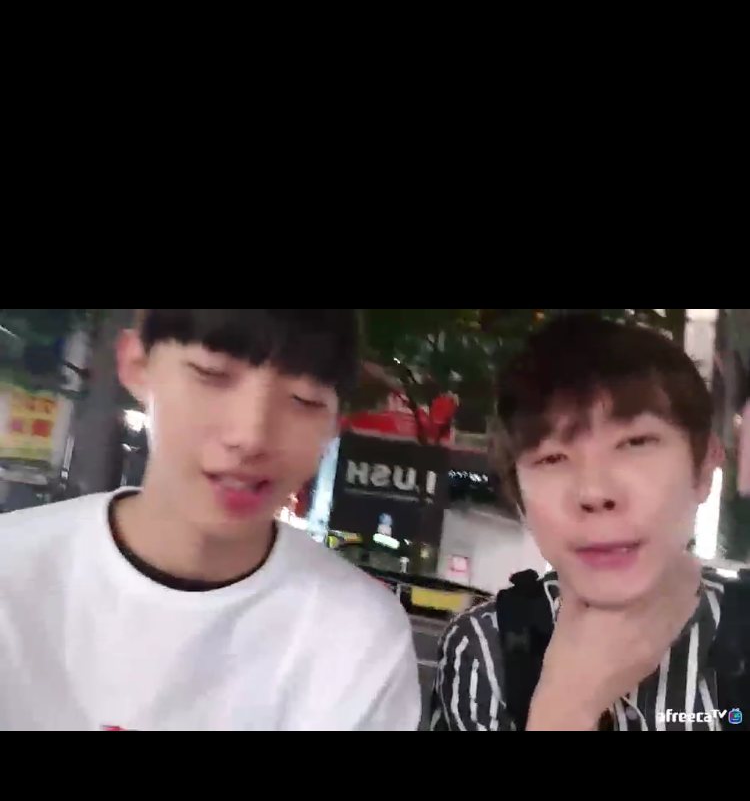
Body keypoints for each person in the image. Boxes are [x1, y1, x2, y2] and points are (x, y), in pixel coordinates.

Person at [0, 309, 421, 731]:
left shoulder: (358, 639)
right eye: (212, 375)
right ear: (137, 366)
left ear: (334, 425)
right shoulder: (12, 573)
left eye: (304, 400)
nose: (251, 436)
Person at [430, 314, 749, 732]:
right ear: (519, 495)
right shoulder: (486, 651)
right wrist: (566, 705)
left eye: (635, 443)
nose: (595, 493)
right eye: (552, 458)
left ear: (705, 467)